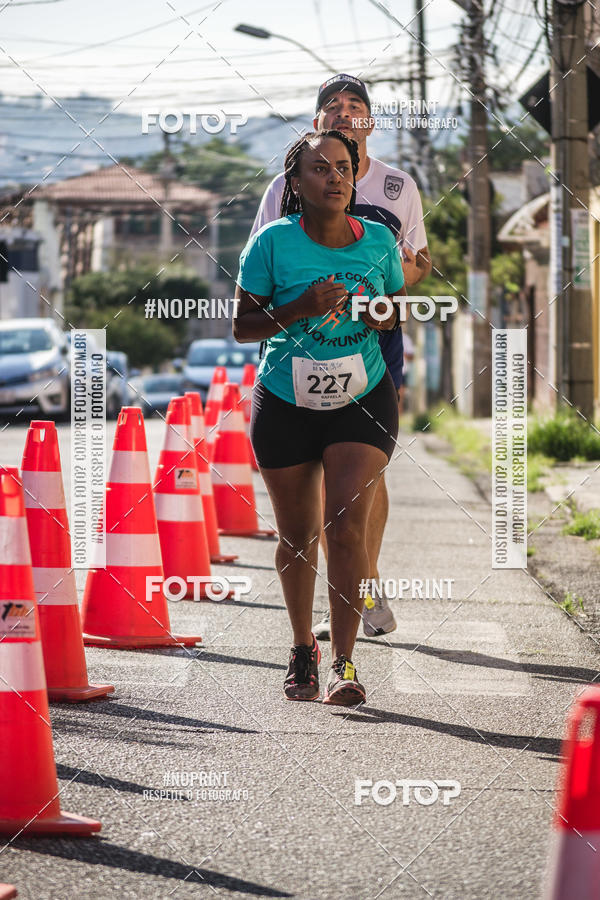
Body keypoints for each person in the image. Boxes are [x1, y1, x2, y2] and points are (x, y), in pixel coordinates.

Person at [250, 73, 431, 640]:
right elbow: (258, 276)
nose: (344, 113)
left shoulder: (398, 187)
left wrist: (375, 295)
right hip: (294, 353)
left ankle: (362, 583)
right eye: (333, 106)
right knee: (314, 498)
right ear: (317, 124)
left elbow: (417, 264)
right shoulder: (285, 193)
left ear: (369, 123)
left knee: (360, 479)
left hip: (374, 346)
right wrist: (302, 306)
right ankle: (331, 615)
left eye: (356, 106)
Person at [234, 129, 405, 705]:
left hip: (363, 396)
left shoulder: (380, 241)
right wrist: (302, 308)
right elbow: (242, 327)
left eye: (343, 166)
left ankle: (345, 663)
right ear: (296, 183)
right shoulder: (271, 244)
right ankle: (302, 645)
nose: (335, 176)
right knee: (298, 536)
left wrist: (383, 314)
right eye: (320, 168)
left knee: (345, 524)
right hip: (286, 401)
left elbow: (396, 306)